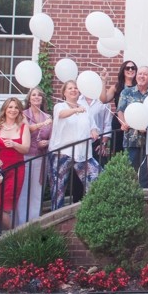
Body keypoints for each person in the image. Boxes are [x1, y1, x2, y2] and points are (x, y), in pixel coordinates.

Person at [49, 80, 102, 209]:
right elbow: (61, 115)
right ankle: (56, 219)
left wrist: (94, 131)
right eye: (70, 88)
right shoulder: (60, 106)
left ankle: (92, 210)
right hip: (62, 152)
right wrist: (76, 110)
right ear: (64, 92)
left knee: (97, 177)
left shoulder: (85, 109)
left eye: (76, 88)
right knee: (58, 188)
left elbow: (93, 126)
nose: (73, 90)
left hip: (82, 153)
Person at [0, 96, 30, 229]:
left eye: (16, 107)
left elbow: (26, 148)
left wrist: (13, 144)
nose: (13, 110)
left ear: (20, 110)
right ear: (5, 109)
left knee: (1, 210)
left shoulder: (23, 127)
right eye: (10, 107)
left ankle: (16, 235)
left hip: (15, 170)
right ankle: (14, 235)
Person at [17, 87, 52, 224]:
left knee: (37, 192)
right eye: (33, 95)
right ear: (29, 99)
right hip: (26, 157)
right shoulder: (23, 114)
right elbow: (27, 129)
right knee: (24, 190)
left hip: (41, 157)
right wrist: (42, 124)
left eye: (39, 95)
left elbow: (52, 137)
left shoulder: (47, 116)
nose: (36, 97)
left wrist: (47, 142)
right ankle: (21, 224)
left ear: (42, 99)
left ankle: (34, 223)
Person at [117, 65, 148, 177]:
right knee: (130, 169)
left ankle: (146, 194)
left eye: (145, 74)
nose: (142, 76)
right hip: (130, 137)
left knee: (145, 173)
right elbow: (120, 110)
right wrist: (123, 123)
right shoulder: (126, 92)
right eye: (140, 74)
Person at [102, 60, 137, 155]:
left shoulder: (139, 87)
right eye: (127, 68)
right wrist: (103, 81)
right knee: (118, 150)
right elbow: (103, 99)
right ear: (123, 70)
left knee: (133, 151)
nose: (130, 70)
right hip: (119, 122)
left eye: (133, 68)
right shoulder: (116, 87)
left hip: (135, 122)